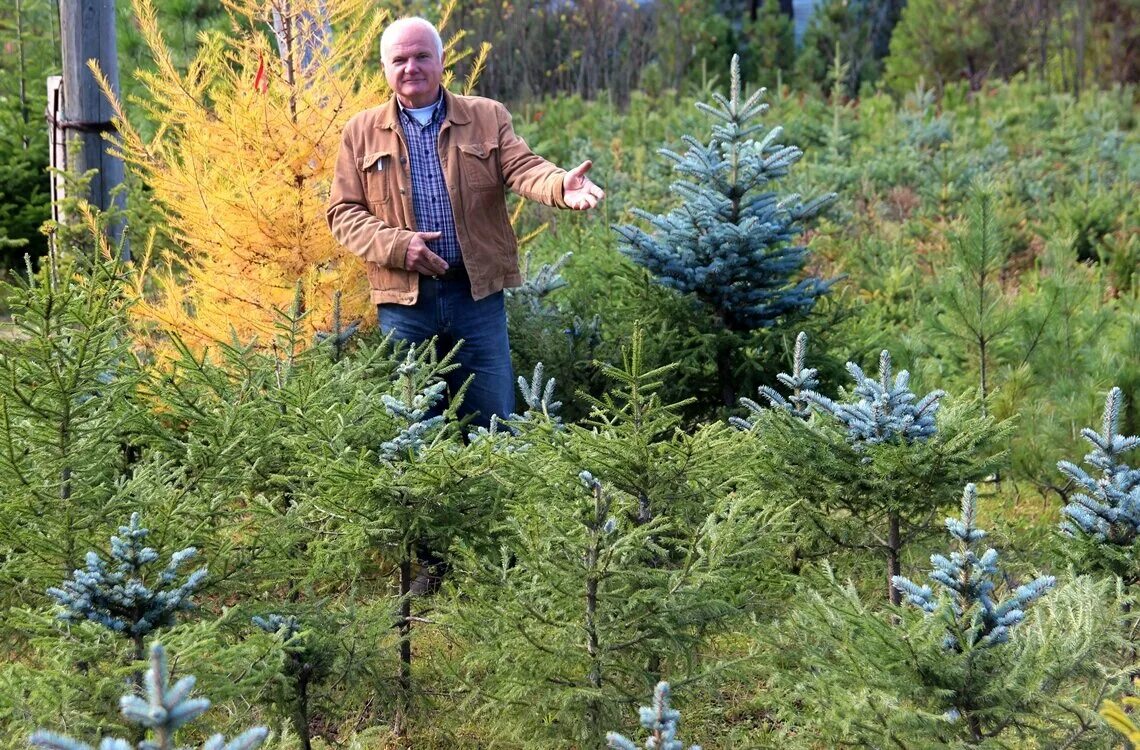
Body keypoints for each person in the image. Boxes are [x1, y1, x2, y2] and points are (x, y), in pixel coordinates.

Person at [327, 16, 604, 428]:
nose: (411, 67)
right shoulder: (360, 132)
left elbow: (523, 167)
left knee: (494, 420)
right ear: (385, 68)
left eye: (422, 56)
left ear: (441, 61)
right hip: (404, 303)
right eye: (399, 59)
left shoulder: (486, 116)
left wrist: (559, 186)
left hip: (476, 296)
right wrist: (401, 247)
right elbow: (343, 213)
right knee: (414, 425)